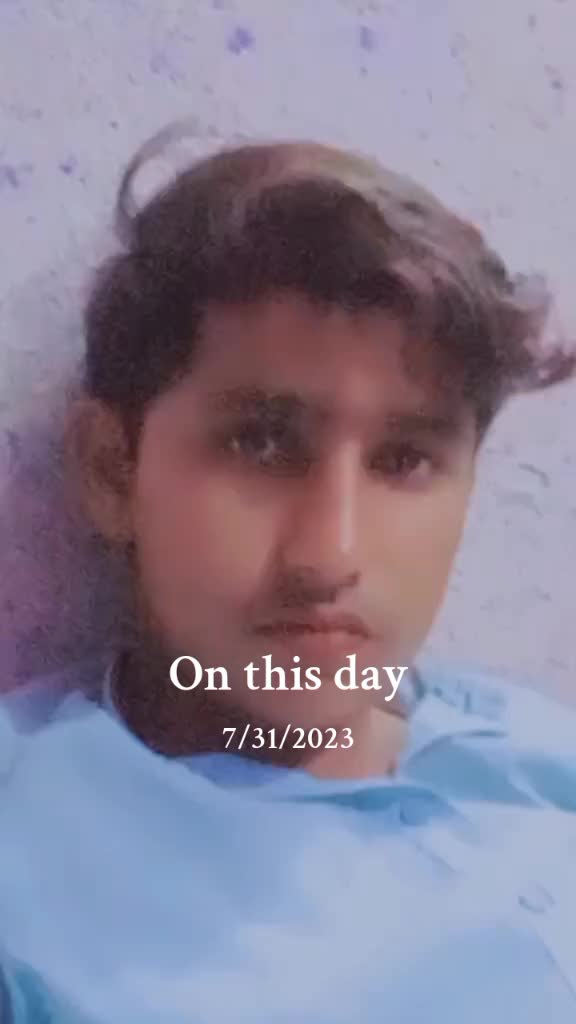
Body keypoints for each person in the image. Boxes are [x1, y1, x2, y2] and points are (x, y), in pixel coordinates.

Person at [1, 122, 576, 1022]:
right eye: (262, 444)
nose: (329, 556)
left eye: (405, 460)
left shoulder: (540, 761)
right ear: (113, 472)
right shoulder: (28, 881)